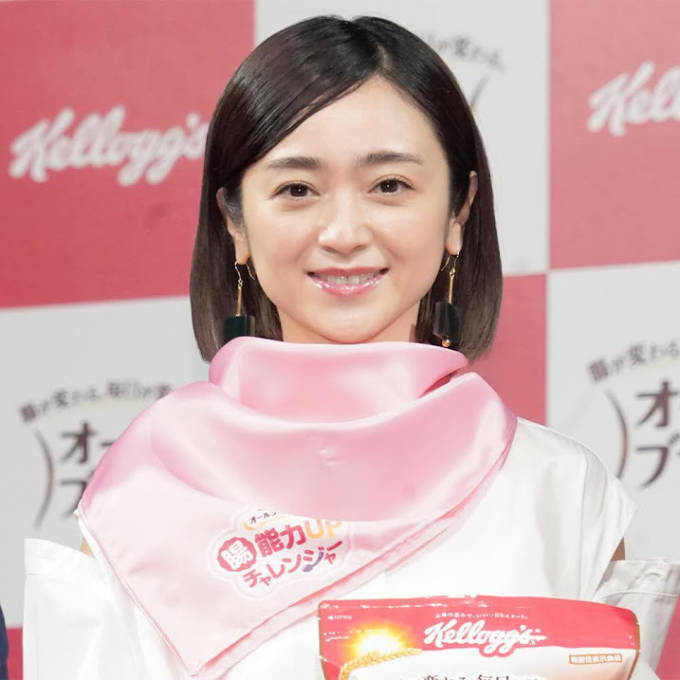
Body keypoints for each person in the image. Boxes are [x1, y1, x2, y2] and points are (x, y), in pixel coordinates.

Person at [23, 15, 677, 680]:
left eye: (389, 185)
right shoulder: (147, 492)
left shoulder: (557, 489)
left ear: (458, 211)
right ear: (235, 223)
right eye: (297, 190)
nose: (343, 232)